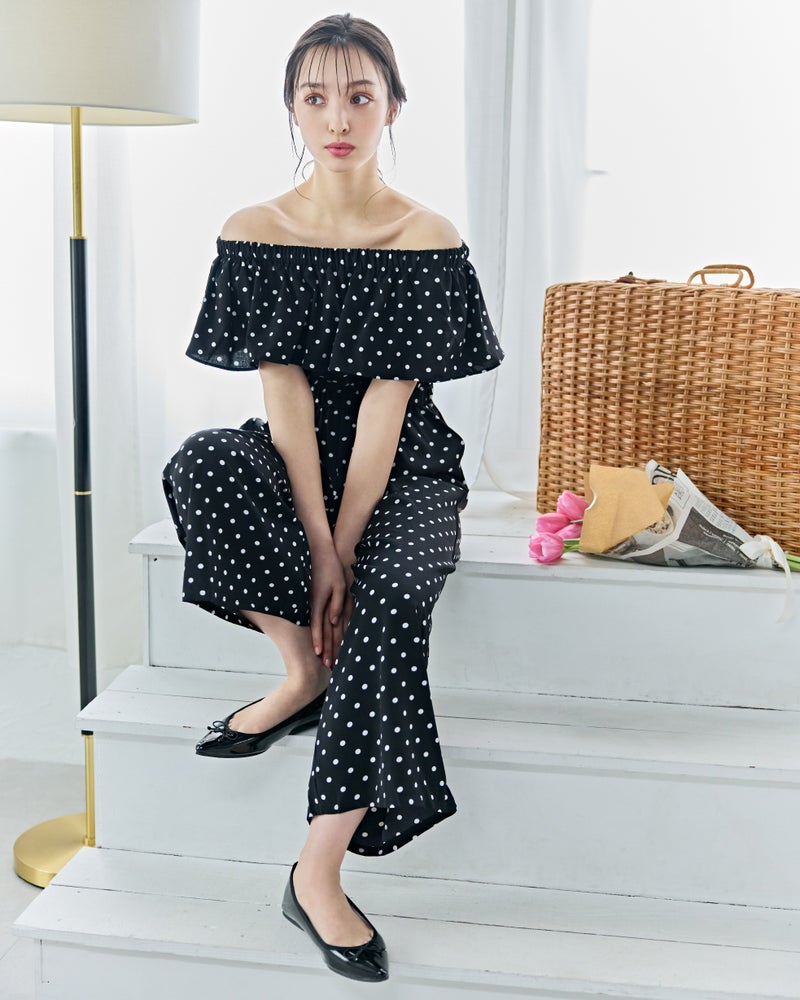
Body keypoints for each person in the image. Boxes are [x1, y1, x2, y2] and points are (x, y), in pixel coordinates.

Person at [161, 11, 504, 984]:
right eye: (315, 98)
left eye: (360, 95)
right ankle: (301, 673)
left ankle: (316, 873)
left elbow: (389, 410)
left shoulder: (424, 238)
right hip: (298, 451)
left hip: (408, 468)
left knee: (391, 590)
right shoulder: (256, 231)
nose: (338, 118)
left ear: (393, 106)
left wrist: (347, 551)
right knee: (202, 462)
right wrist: (315, 544)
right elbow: (286, 399)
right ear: (292, 109)